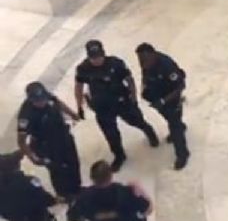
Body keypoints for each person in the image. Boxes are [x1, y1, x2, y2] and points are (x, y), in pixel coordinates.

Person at [75, 40, 159, 172]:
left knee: (137, 121)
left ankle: (149, 132)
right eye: (93, 58)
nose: (96, 60)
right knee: (111, 134)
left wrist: (134, 97)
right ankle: (119, 155)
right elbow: (79, 87)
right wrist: (79, 106)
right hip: (102, 106)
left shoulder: (115, 63)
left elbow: (129, 80)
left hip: (122, 101)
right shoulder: (83, 69)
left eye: (99, 56)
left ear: (103, 53)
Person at [16, 81, 82, 198]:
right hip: (47, 146)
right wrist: (32, 156)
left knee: (73, 163)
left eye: (43, 99)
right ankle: (64, 194)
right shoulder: (26, 115)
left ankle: (77, 188)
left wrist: (72, 114)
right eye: (38, 101)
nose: (42, 102)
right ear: (31, 100)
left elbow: (58, 103)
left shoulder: (48, 97)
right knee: (58, 171)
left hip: (63, 137)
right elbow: (21, 140)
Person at [135, 43, 190, 169]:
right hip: (157, 97)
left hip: (171, 98)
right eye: (140, 59)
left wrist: (164, 101)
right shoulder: (146, 63)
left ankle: (182, 155)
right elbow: (145, 76)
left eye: (144, 59)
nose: (142, 62)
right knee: (169, 118)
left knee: (174, 126)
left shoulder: (167, 66)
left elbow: (180, 86)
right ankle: (180, 126)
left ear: (153, 55)